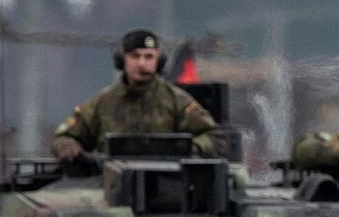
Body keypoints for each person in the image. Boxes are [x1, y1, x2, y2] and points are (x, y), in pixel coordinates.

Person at [52, 28, 219, 160]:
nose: (142, 63)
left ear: (158, 61)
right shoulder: (102, 102)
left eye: (149, 57)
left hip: (169, 189)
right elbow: (64, 137)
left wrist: (193, 147)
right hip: (111, 189)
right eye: (135, 56)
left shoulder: (176, 100)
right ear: (121, 60)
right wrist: (69, 148)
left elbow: (214, 136)